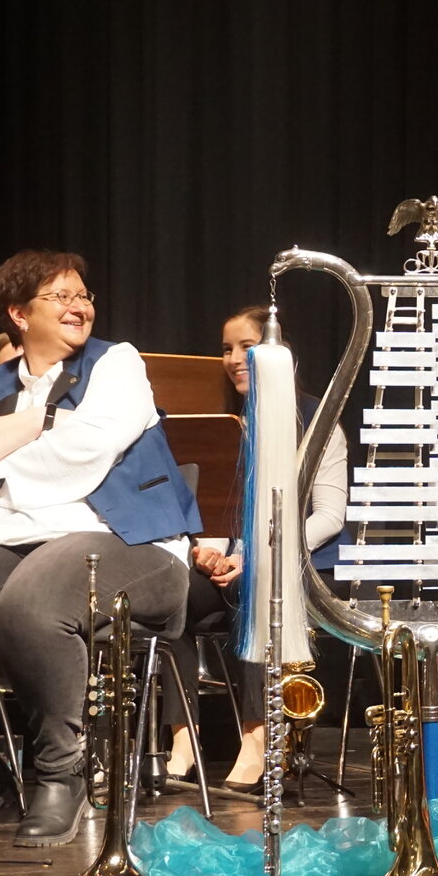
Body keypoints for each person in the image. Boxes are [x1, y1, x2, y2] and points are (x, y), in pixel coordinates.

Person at [0, 251, 200, 847]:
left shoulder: (117, 363)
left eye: (83, 295)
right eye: (61, 297)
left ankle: (60, 770)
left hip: (132, 542)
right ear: (19, 314)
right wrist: (41, 421)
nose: (79, 307)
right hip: (9, 538)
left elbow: (84, 456)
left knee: (31, 603)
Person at [163, 305, 348, 792]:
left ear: (278, 353)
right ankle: (183, 736)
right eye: (226, 349)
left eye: (246, 347)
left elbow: (329, 516)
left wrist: (257, 557)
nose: (233, 359)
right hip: (232, 562)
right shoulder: (222, 422)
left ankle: (257, 737)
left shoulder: (317, 420)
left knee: (256, 592)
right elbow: (208, 503)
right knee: (168, 599)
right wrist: (206, 551)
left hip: (299, 565)